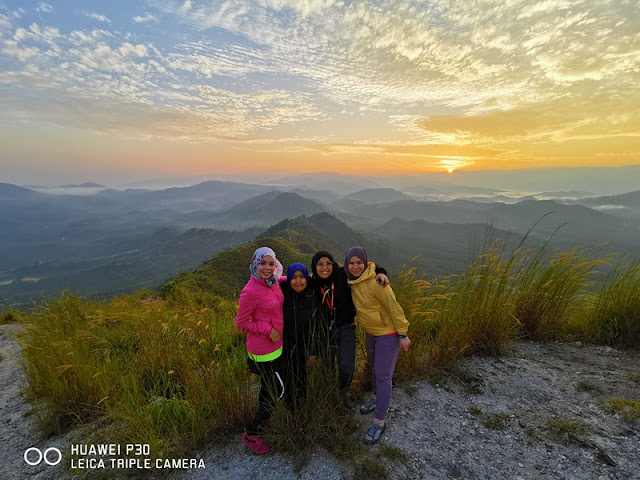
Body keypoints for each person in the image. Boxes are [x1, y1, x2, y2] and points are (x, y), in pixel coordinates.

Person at [345, 246, 411, 445]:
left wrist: (402, 334)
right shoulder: (352, 281)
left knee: (383, 375)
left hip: (388, 334)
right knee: (375, 369)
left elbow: (394, 307)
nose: (355, 267)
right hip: (371, 333)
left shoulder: (377, 282)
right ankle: (375, 397)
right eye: (352, 263)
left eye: (359, 263)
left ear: (365, 263)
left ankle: (379, 422)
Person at [310, 250, 389, 409]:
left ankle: (342, 392)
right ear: (314, 267)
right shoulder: (312, 283)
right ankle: (332, 397)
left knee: (346, 367)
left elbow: (364, 267)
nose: (325, 268)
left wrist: (381, 273)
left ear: (334, 265)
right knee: (328, 367)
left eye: (328, 264)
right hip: (325, 331)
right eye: (320, 264)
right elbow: (292, 280)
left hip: (346, 327)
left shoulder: (341, 274)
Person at [235, 246, 286, 455]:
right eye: (262, 263)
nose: (267, 268)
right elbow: (241, 323)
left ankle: (264, 420)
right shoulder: (250, 291)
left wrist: (305, 277)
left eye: (271, 263)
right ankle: (252, 433)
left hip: (276, 347)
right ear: (255, 264)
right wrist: (267, 330)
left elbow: (280, 282)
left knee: (268, 390)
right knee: (277, 389)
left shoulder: (272, 282)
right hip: (263, 351)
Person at [280, 262, 317, 409]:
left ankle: (301, 410)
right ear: (288, 279)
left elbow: (318, 326)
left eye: (302, 277)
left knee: (302, 378)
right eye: (294, 277)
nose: (298, 281)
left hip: (305, 347)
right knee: (287, 378)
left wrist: (315, 352)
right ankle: (289, 411)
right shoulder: (282, 292)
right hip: (286, 346)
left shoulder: (313, 294)